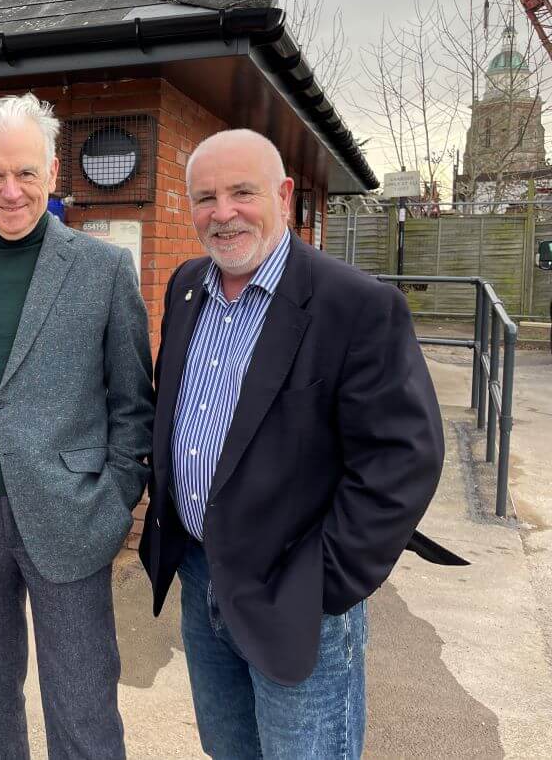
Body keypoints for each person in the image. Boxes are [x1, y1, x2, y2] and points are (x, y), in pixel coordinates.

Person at [138, 128, 466, 758]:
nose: (222, 212)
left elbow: (401, 461)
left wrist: (324, 583)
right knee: (229, 750)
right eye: (204, 197)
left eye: (242, 192)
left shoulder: (355, 305)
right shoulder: (186, 287)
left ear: (285, 196)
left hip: (296, 591)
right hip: (202, 575)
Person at [0, 93, 155, 760]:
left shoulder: (102, 270)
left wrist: (114, 498)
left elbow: (133, 401)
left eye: (25, 173)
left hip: (71, 518)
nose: (10, 190)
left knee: (83, 708)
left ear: (51, 171)